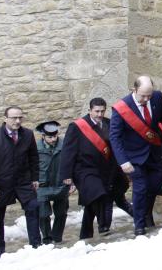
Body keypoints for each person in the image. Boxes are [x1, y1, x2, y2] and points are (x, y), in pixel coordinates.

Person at [110, 76, 162, 235]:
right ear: (134, 90)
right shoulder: (121, 109)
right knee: (140, 189)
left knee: (156, 183)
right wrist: (123, 161)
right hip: (133, 157)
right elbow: (115, 137)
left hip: (154, 153)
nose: (146, 99)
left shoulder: (156, 97)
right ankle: (139, 226)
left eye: (149, 95)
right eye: (143, 96)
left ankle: (142, 212)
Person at [0, 106, 40, 259]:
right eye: (14, 118)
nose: (17, 121)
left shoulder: (28, 135)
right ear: (5, 119)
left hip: (23, 182)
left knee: (33, 208)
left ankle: (36, 246)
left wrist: (35, 178)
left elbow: (33, 158)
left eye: (20, 117)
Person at [60, 97, 123, 239]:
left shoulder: (109, 123)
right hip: (84, 169)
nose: (100, 114)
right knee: (98, 194)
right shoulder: (77, 126)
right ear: (89, 110)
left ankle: (85, 234)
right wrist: (66, 175)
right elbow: (68, 151)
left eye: (102, 111)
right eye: (97, 111)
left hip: (104, 169)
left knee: (91, 202)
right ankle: (104, 226)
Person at [35, 121, 70, 244]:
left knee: (61, 213)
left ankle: (57, 237)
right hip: (42, 186)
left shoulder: (65, 145)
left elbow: (72, 162)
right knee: (43, 215)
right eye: (50, 137)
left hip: (61, 184)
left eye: (55, 136)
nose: (53, 139)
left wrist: (72, 180)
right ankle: (47, 239)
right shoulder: (35, 148)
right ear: (43, 136)